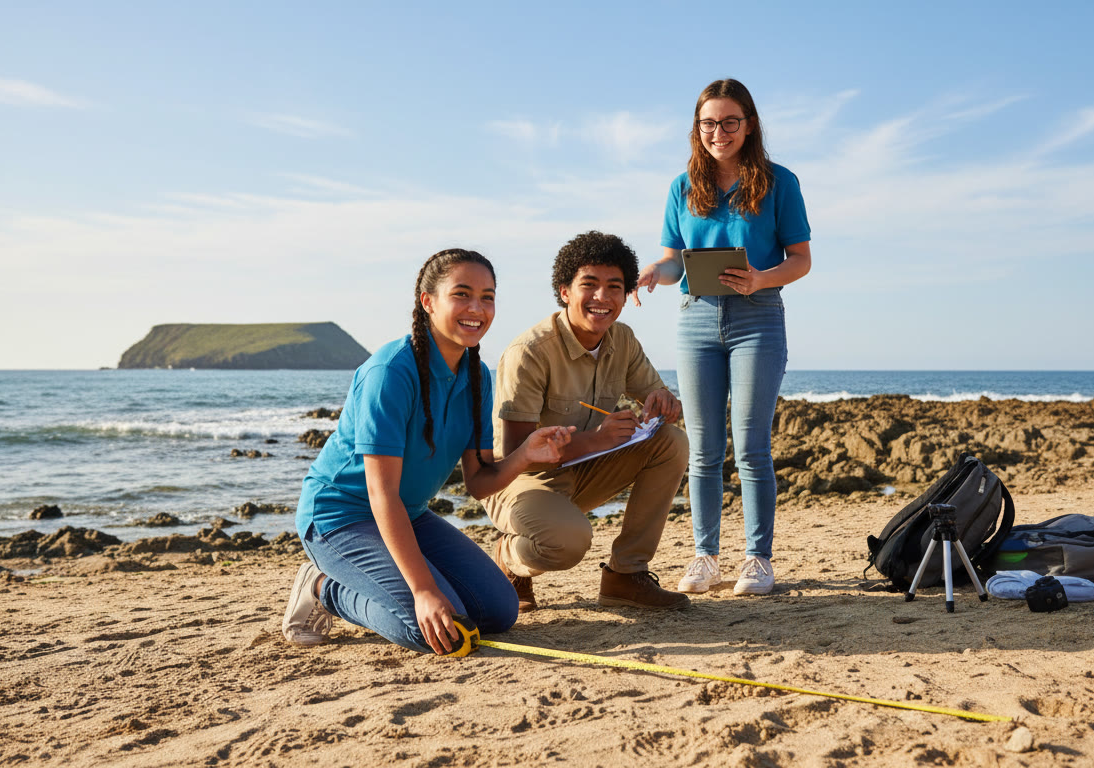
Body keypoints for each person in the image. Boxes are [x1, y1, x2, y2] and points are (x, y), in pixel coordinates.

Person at [281, 248, 575, 654]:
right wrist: (422, 590)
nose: (477, 308)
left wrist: (525, 454)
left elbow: (479, 483)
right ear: (428, 302)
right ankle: (322, 587)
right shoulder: (390, 373)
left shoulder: (477, 376)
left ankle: (394, 587)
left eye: (488, 297)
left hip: (409, 516)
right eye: (463, 294)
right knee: (438, 632)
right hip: (340, 518)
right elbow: (381, 495)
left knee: (500, 611)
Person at [634, 78, 812, 596]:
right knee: (704, 448)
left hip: (758, 317)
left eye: (729, 122)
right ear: (698, 128)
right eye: (708, 123)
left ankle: (757, 559)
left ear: (749, 124)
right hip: (696, 320)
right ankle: (705, 557)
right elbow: (672, 262)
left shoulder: (780, 182)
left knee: (752, 447)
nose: (719, 132)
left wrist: (760, 277)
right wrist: (653, 273)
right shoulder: (681, 187)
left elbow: (800, 259)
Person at [487, 231, 691, 612]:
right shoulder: (529, 352)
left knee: (671, 442)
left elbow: (656, 396)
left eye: (615, 286)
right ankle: (505, 559)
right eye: (589, 285)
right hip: (521, 482)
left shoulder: (623, 340)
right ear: (564, 291)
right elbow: (515, 453)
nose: (602, 297)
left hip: (584, 470)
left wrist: (664, 402)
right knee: (567, 543)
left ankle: (625, 576)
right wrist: (598, 440)